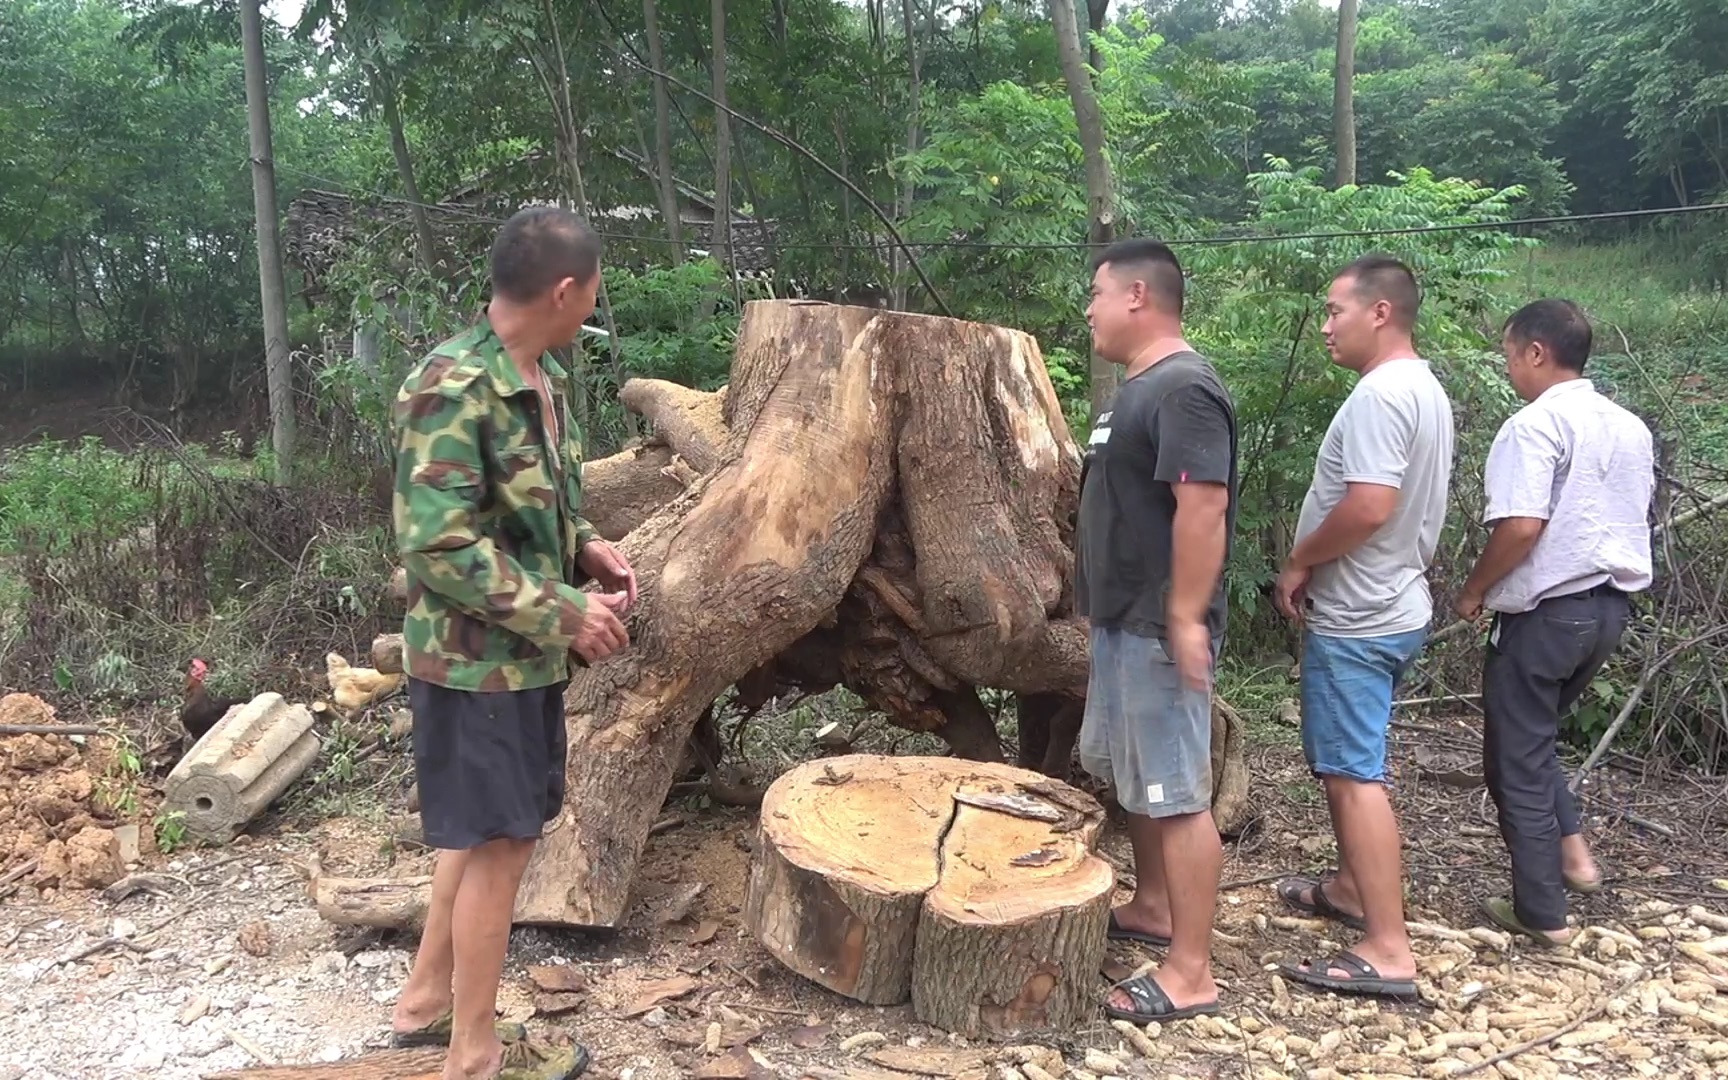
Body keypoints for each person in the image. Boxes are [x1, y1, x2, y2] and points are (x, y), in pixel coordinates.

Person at [389, 206, 635, 1080]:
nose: (592, 307)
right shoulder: (454, 385)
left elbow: (532, 508)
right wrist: (563, 612)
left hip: (519, 658)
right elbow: (437, 542)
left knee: (486, 834)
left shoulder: (538, 379)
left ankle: (424, 1003)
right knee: (500, 846)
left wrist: (586, 546)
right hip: (471, 664)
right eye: (594, 292)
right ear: (565, 289)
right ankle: (475, 1052)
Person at [1272, 254, 1453, 1001]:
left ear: (1380, 312)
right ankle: (1350, 889)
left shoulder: (1383, 395)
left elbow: (1370, 504)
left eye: (1334, 310)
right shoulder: (1424, 388)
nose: (1325, 326)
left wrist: (1300, 559)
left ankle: (1387, 946)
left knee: (1354, 776)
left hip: (1361, 615)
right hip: (1393, 601)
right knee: (1348, 763)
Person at [1073, 238, 1239, 1022]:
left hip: (1158, 626)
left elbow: (1204, 505)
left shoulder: (1184, 387)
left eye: (1097, 294)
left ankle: (1190, 972)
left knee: (1176, 796)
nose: (1089, 309)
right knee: (1140, 781)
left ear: (1138, 296)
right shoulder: (1133, 391)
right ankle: (1156, 907)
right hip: (1121, 621)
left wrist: (1184, 615)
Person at [1454, 298, 1653, 945]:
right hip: (1606, 613)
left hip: (1545, 614)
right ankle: (1575, 859)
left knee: (1514, 759)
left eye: (1510, 354)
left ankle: (1540, 912)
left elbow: (1520, 526)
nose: (1510, 368)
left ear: (1535, 352)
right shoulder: (1629, 427)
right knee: (1534, 741)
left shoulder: (1534, 425)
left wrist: (1474, 589)